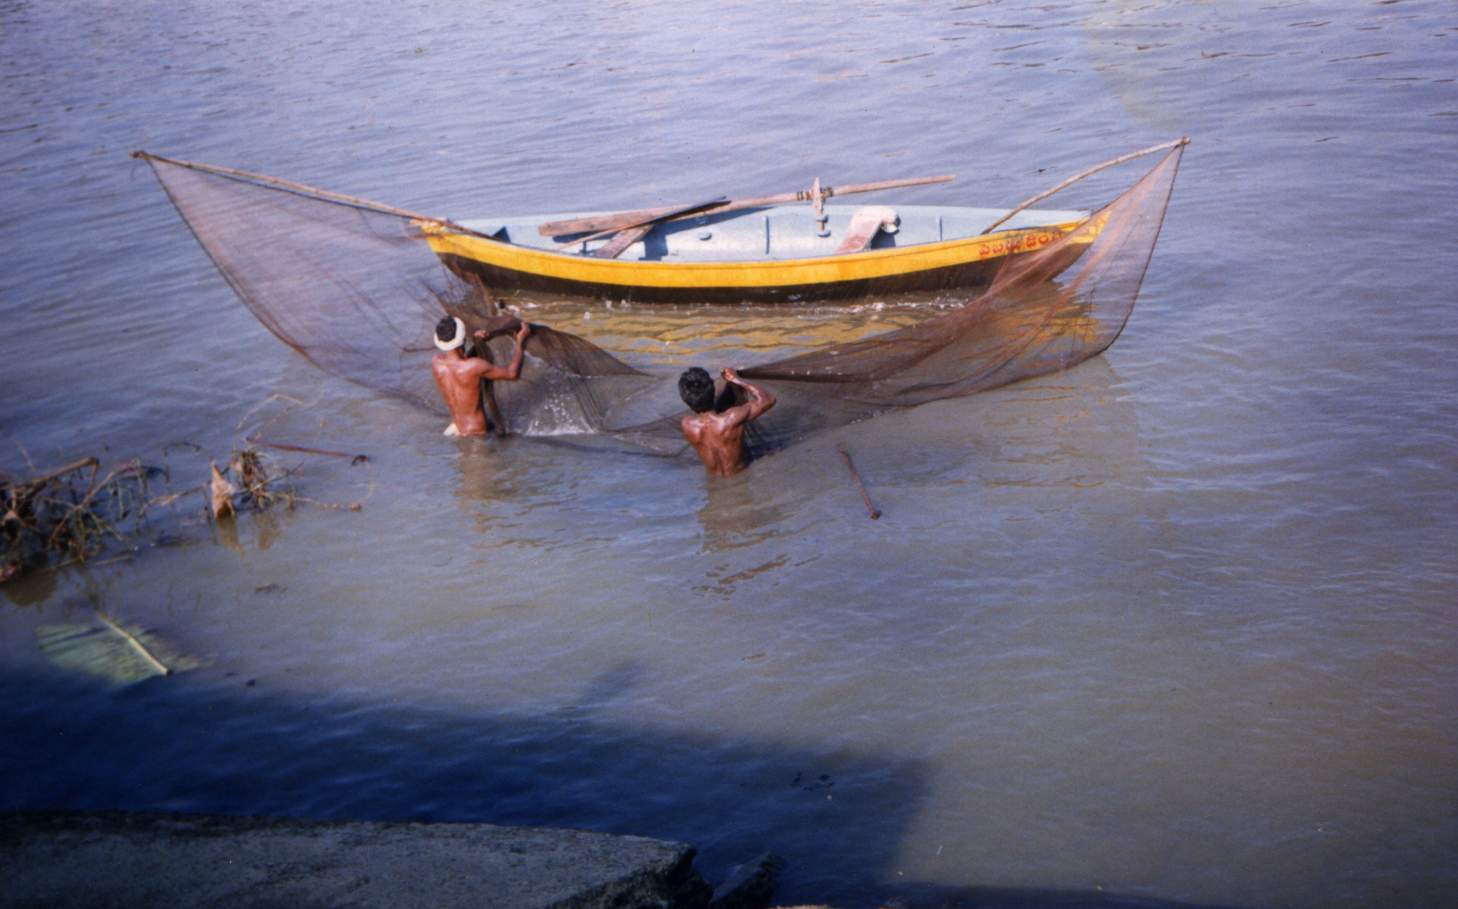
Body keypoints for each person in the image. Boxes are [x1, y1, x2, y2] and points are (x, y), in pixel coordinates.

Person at [431, 315, 530, 437]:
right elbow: (512, 373)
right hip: (477, 432)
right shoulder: (475, 366)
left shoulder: (436, 363)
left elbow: (459, 365)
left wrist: (477, 341)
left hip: (458, 427)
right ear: (462, 338)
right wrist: (520, 341)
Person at [677, 366, 776, 476]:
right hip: (741, 477)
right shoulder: (732, 418)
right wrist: (736, 379)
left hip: (714, 483)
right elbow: (768, 399)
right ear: (712, 389)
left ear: (685, 399)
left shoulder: (686, 425)